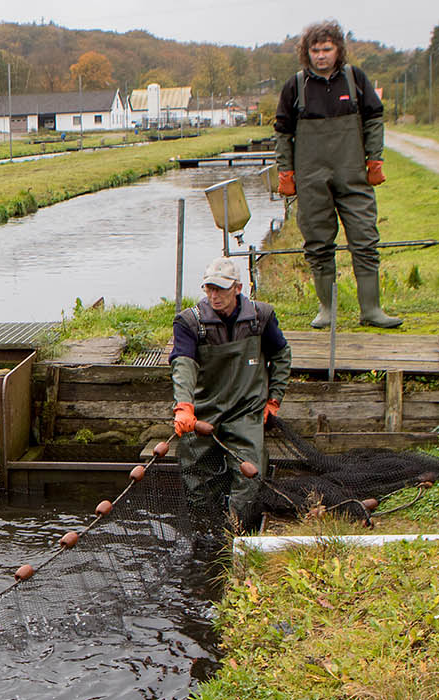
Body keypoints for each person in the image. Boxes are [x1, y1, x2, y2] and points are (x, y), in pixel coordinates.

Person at [274, 20, 401, 328]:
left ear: (338, 50)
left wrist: (376, 160)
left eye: (327, 49)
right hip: (311, 178)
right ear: (307, 52)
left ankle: (371, 310)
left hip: (353, 173)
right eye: (315, 50)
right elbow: (282, 131)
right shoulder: (296, 85)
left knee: (365, 239)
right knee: (317, 244)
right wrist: (286, 172)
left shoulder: (355, 79)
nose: (321, 56)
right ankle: (327, 311)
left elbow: (374, 119)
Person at [170, 257, 292, 532]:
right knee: (197, 480)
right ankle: (205, 535)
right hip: (204, 410)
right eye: (209, 289)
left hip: (246, 411)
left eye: (221, 290)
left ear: (237, 288)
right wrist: (184, 406)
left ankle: (236, 535)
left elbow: (281, 354)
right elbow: (183, 364)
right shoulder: (190, 323)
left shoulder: (261, 317)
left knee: (250, 477)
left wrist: (274, 399)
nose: (214, 296)